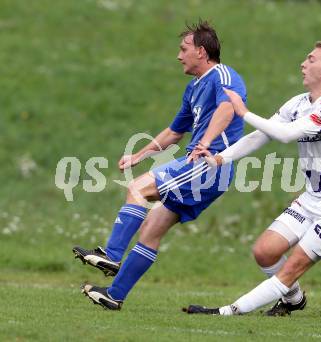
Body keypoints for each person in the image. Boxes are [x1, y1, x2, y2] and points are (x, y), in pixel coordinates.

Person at [183, 41, 321, 316]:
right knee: (264, 251)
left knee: (292, 268)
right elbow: (263, 134)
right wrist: (222, 157)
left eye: (311, 59)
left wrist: (244, 112)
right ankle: (293, 299)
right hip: (313, 198)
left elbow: (285, 134)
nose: (303, 64)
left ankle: (227, 311)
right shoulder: (298, 103)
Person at [73, 20, 247, 310]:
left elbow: (228, 108)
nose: (179, 56)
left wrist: (207, 141)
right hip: (201, 166)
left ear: (201, 52)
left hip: (207, 164)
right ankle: (114, 295)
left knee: (138, 188)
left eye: (184, 49)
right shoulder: (193, 89)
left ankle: (113, 255)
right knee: (152, 227)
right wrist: (138, 156)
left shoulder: (223, 76)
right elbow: (174, 132)